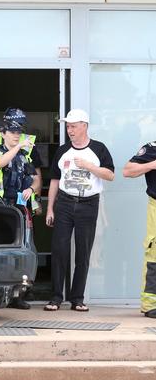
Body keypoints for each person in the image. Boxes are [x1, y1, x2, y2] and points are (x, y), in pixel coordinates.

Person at [44, 109, 115, 312]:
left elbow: (110, 175)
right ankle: (56, 298)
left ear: (85, 126)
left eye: (73, 126)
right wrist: (50, 208)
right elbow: (55, 181)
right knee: (59, 250)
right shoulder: (63, 150)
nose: (70, 130)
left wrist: (89, 166)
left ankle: (77, 299)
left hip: (88, 204)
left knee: (83, 253)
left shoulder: (99, 149)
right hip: (64, 204)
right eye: (68, 126)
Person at [0, 108, 42, 309]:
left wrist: (31, 189)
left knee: (23, 252)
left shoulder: (24, 156)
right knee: (2, 253)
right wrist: (18, 146)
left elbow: (36, 180)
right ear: (3, 134)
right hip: (2, 210)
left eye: (18, 133)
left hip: (21, 210)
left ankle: (19, 295)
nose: (16, 135)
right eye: (12, 133)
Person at [122, 142, 156, 319]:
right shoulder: (153, 148)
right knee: (154, 255)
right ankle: (150, 305)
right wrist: (152, 165)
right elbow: (127, 171)